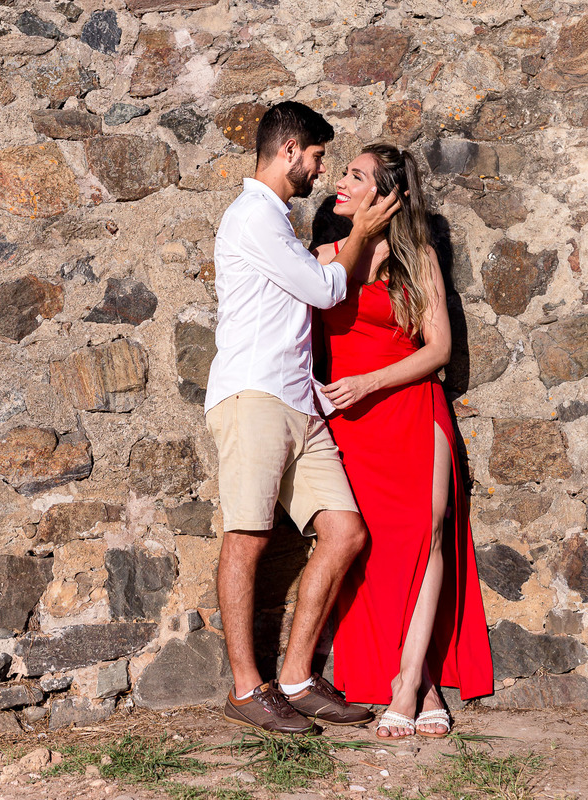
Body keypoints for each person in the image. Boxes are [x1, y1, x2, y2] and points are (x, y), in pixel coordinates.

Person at [205, 102, 400, 733]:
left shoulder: (279, 224)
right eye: (317, 157)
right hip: (254, 396)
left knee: (345, 533)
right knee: (248, 535)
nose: (320, 170)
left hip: (298, 399)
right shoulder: (252, 217)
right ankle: (245, 689)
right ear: (291, 149)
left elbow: (312, 278)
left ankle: (295, 677)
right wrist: (363, 235)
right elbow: (323, 290)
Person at [313, 144, 494, 738]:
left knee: (428, 535)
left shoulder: (418, 261)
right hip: (351, 423)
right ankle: (412, 678)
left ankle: (412, 681)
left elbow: (438, 351)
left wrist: (370, 381)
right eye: (343, 172)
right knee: (372, 549)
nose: (340, 182)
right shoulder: (322, 258)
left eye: (356, 176)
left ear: (390, 196)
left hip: (413, 408)